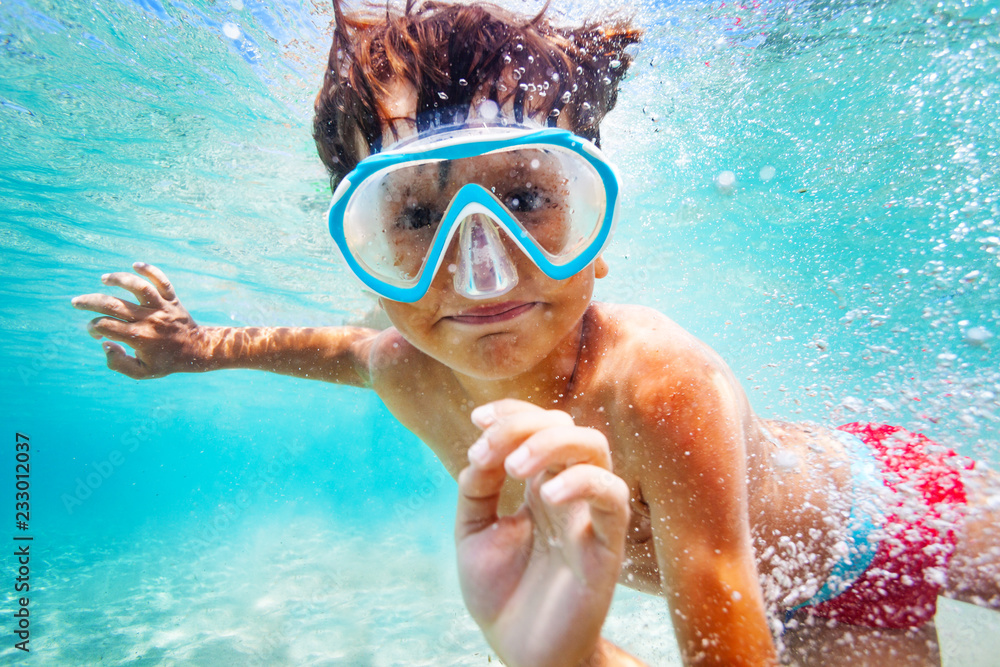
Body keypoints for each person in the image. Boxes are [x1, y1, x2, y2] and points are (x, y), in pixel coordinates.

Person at [71, 1, 1000, 664]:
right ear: (361, 248)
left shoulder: (658, 383)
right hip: (821, 613)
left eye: (525, 199)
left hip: (898, 510)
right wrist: (198, 349)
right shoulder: (403, 367)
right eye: (413, 217)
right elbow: (326, 351)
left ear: (597, 235)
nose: (482, 270)